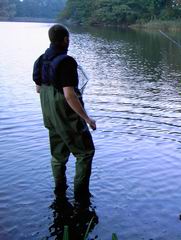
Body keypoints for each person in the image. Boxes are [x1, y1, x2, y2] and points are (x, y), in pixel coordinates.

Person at [33, 24, 96, 207]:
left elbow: (38, 89)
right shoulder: (67, 61)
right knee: (85, 153)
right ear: (66, 39)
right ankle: (81, 197)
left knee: (58, 154)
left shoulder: (40, 59)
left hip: (48, 111)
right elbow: (69, 95)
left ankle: (59, 191)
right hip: (64, 111)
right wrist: (86, 118)